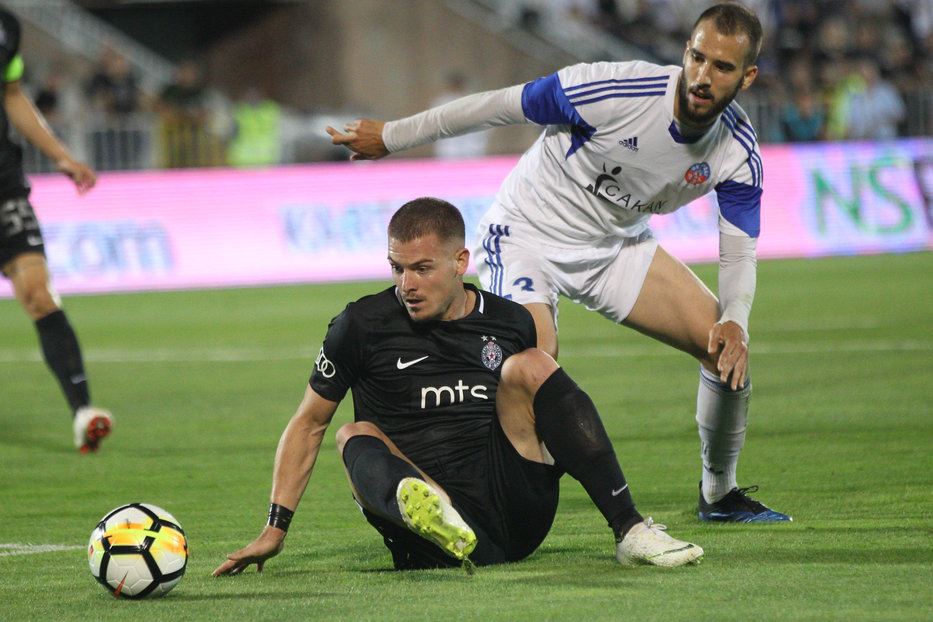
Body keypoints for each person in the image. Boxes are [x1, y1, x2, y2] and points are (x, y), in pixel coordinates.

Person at [327, 3, 791, 523]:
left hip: (616, 247)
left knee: (724, 351)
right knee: (535, 372)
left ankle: (719, 494)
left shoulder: (737, 150)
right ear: (685, 51)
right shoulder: (612, 91)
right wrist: (392, 136)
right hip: (528, 234)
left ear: (747, 76)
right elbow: (495, 106)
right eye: (697, 58)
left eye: (722, 67)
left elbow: (739, 246)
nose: (703, 77)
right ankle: (478, 502)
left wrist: (737, 320)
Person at [213, 198, 702, 574]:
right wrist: (274, 529)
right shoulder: (361, 325)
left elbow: (550, 414)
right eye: (397, 268)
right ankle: (434, 512)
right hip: (429, 534)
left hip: (516, 510)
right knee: (352, 433)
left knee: (532, 366)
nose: (407, 283)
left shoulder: (510, 322)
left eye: (422, 268)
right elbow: (310, 423)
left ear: (460, 261)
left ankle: (630, 529)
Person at [0, 8, 112, 452]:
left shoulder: (7, 26)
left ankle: (83, 412)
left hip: (4, 186)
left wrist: (60, 155)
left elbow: (11, 95)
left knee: (38, 293)